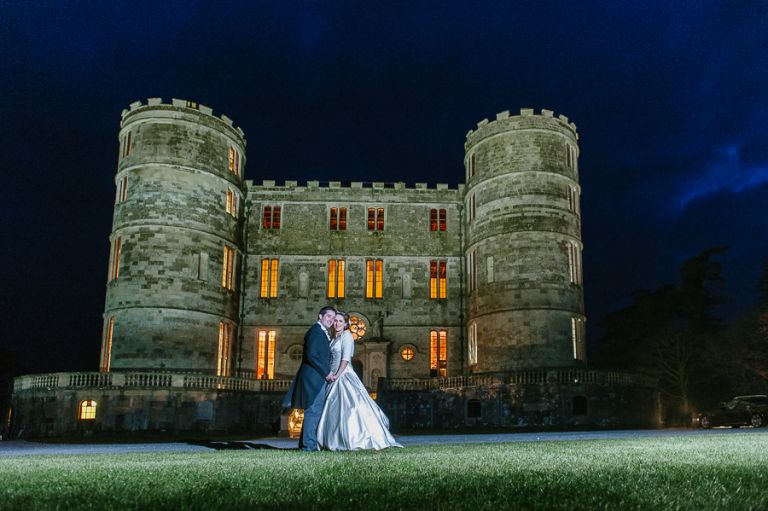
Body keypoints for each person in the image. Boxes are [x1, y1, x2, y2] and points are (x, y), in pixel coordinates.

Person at [317, 311, 402, 451]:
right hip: (332, 375)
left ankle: (351, 439)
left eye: (340, 321)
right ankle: (333, 439)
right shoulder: (334, 338)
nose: (337, 323)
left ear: (345, 324)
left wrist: (336, 375)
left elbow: (345, 359)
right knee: (333, 409)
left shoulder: (347, 336)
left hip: (343, 374)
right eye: (335, 321)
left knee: (350, 407)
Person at [285, 305, 337, 451]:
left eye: (333, 318)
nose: (331, 320)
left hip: (316, 377)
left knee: (313, 411)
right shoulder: (315, 331)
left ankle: (305, 444)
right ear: (320, 316)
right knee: (313, 411)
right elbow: (312, 355)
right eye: (329, 317)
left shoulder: (321, 332)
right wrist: (326, 372)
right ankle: (309, 446)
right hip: (314, 378)